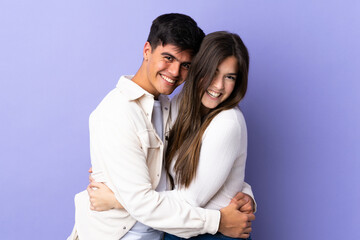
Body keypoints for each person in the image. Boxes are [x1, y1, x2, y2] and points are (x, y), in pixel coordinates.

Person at [68, 13, 255, 240]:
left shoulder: (172, 108)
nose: (175, 72)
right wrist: (219, 220)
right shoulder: (116, 113)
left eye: (185, 64)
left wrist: (244, 193)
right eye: (168, 58)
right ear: (147, 51)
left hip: (165, 233)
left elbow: (204, 176)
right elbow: (145, 202)